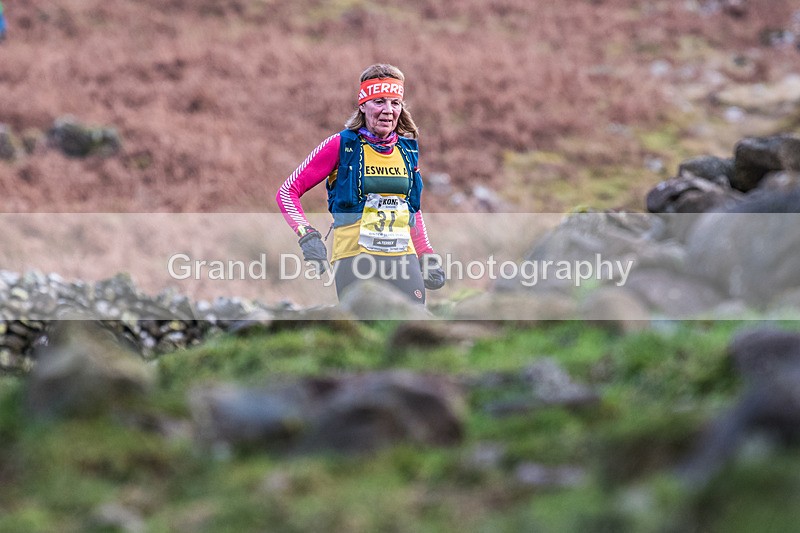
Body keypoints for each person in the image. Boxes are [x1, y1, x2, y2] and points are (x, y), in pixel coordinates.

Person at [276, 63, 445, 304]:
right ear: (363, 105)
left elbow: (412, 210)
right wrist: (307, 235)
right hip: (355, 257)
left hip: (402, 256)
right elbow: (287, 192)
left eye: (395, 103)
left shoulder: (407, 151)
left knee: (413, 330)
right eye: (379, 101)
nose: (388, 111)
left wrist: (426, 254)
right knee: (364, 336)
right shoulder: (340, 145)